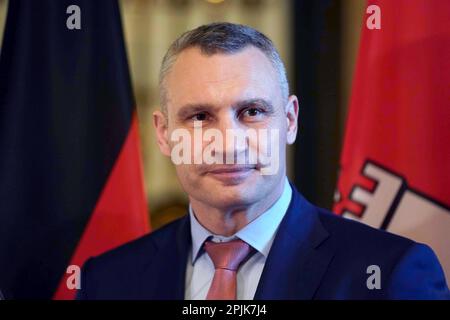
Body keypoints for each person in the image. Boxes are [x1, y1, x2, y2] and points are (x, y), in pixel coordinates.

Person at [77, 22, 449, 300]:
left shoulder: (391, 274)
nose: (228, 143)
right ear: (162, 133)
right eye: (200, 117)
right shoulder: (107, 282)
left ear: (289, 120)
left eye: (252, 111)